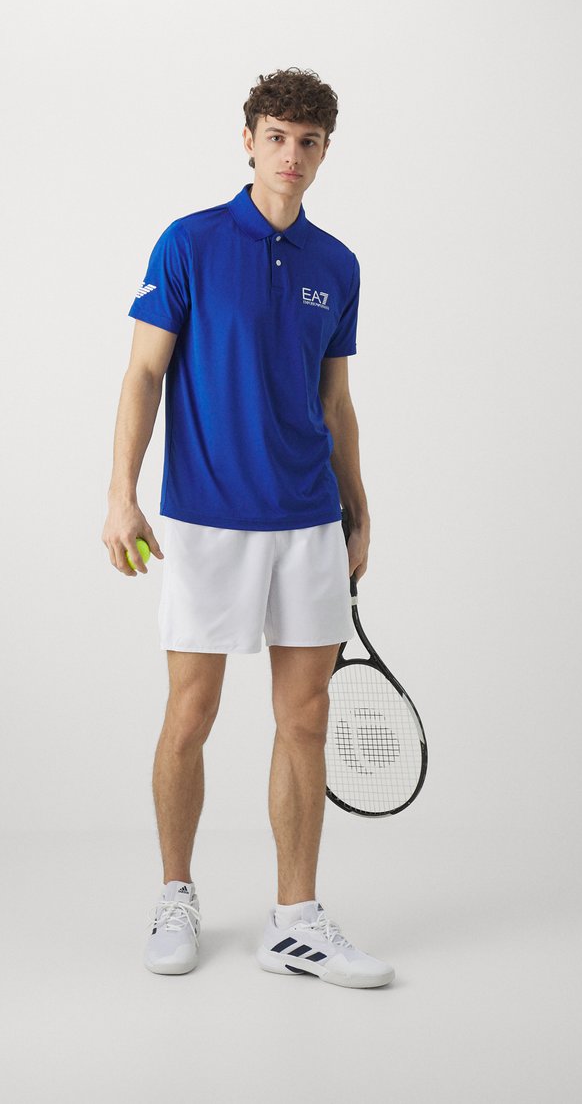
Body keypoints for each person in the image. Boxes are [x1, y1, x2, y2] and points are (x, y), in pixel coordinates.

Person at [101, 68, 394, 989]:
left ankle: (295, 921)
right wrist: (120, 494)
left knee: (305, 717)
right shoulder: (188, 243)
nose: (291, 156)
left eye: (308, 142)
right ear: (248, 140)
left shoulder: (337, 264)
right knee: (191, 713)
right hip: (206, 520)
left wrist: (357, 504)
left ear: (325, 151)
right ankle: (175, 895)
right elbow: (143, 374)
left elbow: (336, 400)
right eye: (277, 137)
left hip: (308, 520)